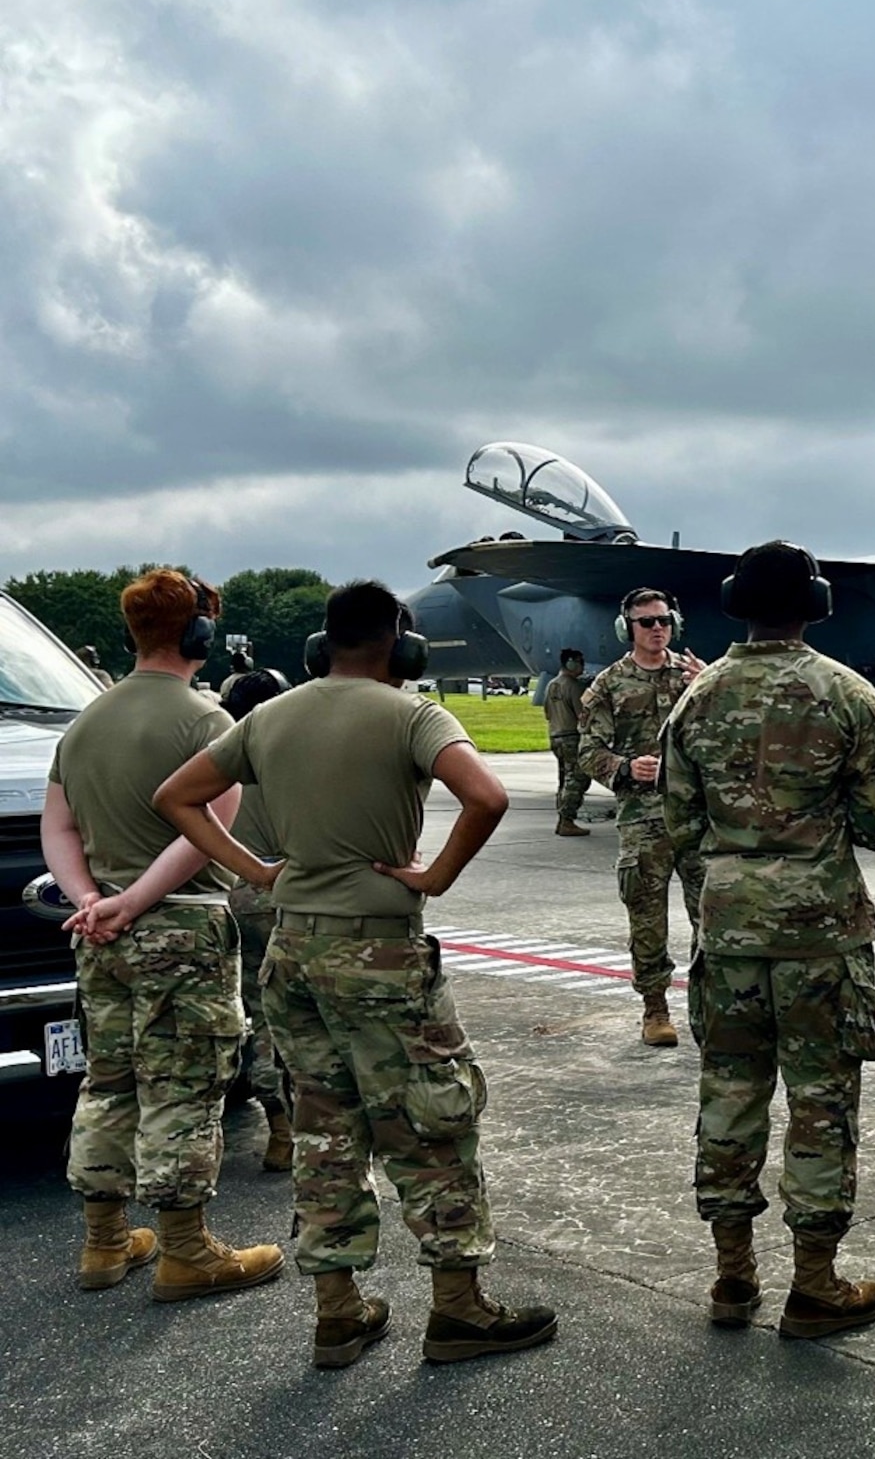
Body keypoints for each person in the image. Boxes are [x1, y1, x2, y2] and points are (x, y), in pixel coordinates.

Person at [155, 581, 557, 1370]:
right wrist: (434, 874)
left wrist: (259, 871)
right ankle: (457, 1307)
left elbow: (178, 796)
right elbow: (488, 793)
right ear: (401, 645)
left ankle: (338, 1312)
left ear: (320, 645)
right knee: (430, 1121)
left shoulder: (269, 715)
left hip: (293, 951)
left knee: (325, 1126)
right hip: (378, 947)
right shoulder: (414, 714)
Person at [663, 541, 875, 1339]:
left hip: (726, 929)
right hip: (819, 936)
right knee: (821, 1102)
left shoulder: (696, 698)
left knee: (729, 1093)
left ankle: (732, 1275)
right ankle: (816, 1282)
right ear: (816, 604)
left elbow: (680, 825)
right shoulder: (846, 695)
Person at [40, 568, 284, 1301]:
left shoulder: (83, 722)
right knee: (184, 1085)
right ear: (201, 636)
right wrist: (142, 897)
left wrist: (92, 898)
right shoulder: (208, 722)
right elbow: (208, 829)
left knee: (108, 1080)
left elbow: (58, 826)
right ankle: (185, 1250)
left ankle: (105, 1242)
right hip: (180, 929)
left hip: (100, 934)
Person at [579, 589, 705, 1046]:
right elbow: (588, 752)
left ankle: (709, 1008)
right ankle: (655, 1007)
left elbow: (729, 735)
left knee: (709, 916)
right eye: (646, 621)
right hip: (643, 818)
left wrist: (711, 688)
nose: (657, 628)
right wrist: (625, 768)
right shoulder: (610, 685)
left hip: (695, 815)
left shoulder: (696, 675)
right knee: (647, 920)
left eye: (664, 620)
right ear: (626, 629)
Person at [219, 667, 296, 1173]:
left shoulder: (218, 761)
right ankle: (285, 1127)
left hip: (229, 897)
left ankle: (251, 1098)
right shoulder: (291, 760)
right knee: (283, 1020)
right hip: (281, 897)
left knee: (244, 1009)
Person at [544, 648, 592, 837]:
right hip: (571, 737)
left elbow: (547, 713)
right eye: (580, 662)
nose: (582, 667)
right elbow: (582, 715)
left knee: (564, 777)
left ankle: (562, 815)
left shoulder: (551, 685)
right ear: (571, 663)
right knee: (578, 778)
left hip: (555, 736)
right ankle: (567, 819)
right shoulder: (573, 686)